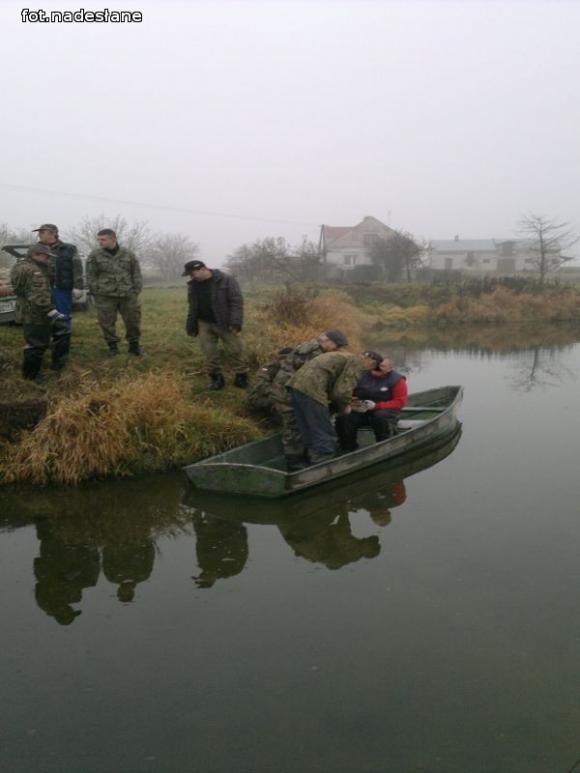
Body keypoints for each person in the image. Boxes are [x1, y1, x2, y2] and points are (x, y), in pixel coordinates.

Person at [248, 329, 350, 468]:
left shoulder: (309, 349)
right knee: (297, 427)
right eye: (337, 346)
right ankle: (299, 462)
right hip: (290, 395)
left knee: (296, 427)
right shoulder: (314, 355)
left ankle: (298, 460)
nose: (338, 350)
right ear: (328, 341)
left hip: (289, 393)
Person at [287, 350, 382, 466]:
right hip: (312, 390)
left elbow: (333, 384)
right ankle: (324, 465)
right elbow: (341, 392)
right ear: (371, 361)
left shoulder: (345, 355)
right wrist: (345, 406)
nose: (367, 370)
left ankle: (305, 462)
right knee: (323, 430)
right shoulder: (357, 362)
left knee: (307, 428)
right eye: (372, 367)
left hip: (296, 386)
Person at [183, 259, 248, 390]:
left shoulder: (226, 280)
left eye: (193, 273)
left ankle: (241, 376)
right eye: (190, 275)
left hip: (225, 322)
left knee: (235, 350)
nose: (191, 277)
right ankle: (216, 378)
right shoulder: (193, 285)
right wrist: (191, 324)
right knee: (209, 353)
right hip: (204, 323)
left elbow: (236, 301)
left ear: (202, 269)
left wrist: (236, 321)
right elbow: (192, 306)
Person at [10, 245, 71, 381]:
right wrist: (51, 311)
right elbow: (39, 296)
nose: (48, 259)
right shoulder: (34, 271)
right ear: (35, 255)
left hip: (26, 309)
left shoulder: (19, 266)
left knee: (39, 340)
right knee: (36, 344)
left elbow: (18, 288)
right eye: (46, 256)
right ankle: (31, 376)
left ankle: (51, 366)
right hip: (36, 312)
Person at [86, 228, 143, 356]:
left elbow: (136, 273)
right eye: (99, 240)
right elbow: (90, 275)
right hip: (105, 296)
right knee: (106, 323)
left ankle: (134, 347)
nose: (100, 242)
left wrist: (136, 290)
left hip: (127, 294)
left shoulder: (128, 254)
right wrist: (97, 291)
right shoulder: (95, 255)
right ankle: (113, 348)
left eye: (103, 239)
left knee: (133, 321)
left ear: (113, 239)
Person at [336, 357, 408, 453]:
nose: (378, 367)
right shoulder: (361, 375)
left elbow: (400, 402)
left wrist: (376, 406)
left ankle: (384, 447)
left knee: (380, 416)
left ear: (390, 369)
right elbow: (349, 394)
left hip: (386, 411)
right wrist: (352, 403)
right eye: (376, 365)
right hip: (362, 409)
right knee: (344, 417)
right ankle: (347, 448)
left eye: (382, 366)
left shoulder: (398, 380)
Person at [33, 223, 83, 326]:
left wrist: (78, 286)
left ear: (52, 234)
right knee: (43, 314)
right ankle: (45, 335)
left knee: (62, 314)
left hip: (61, 288)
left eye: (42, 232)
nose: (39, 235)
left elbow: (77, 268)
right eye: (39, 232)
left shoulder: (69, 248)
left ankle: (63, 334)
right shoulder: (36, 249)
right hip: (41, 289)